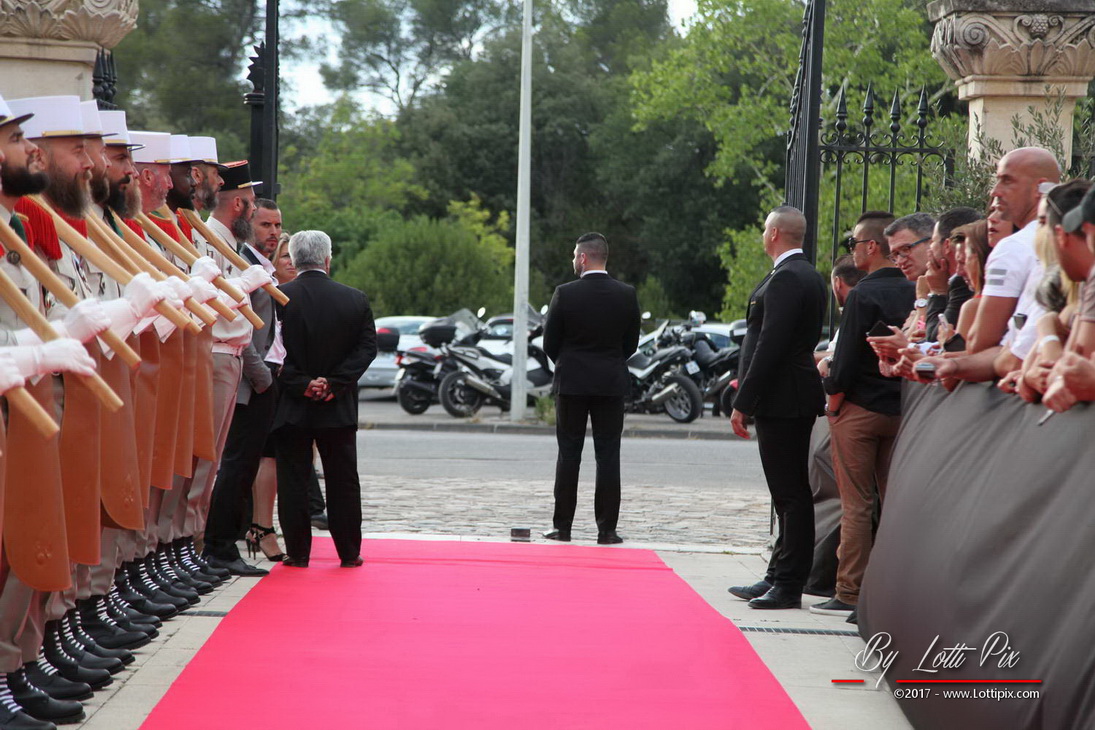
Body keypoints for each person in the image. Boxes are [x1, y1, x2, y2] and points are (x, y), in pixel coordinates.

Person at [811, 211, 914, 620]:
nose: (852, 251)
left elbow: (847, 359)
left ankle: (850, 589)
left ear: (871, 247)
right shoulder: (914, 289)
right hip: (902, 408)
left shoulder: (862, 295)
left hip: (860, 408)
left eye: (854, 243)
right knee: (894, 502)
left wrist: (834, 403)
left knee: (856, 503)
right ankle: (894, 588)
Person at [727, 206, 827, 610]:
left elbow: (770, 345)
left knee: (790, 495)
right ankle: (776, 574)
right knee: (787, 494)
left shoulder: (788, 277)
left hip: (783, 397)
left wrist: (743, 401)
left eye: (763, 229)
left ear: (773, 234)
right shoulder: (804, 274)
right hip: (787, 395)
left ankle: (788, 583)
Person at [273, 230, 377, 568]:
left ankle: (299, 552)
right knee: (343, 479)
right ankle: (349, 551)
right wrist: (334, 383)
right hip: (338, 404)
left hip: (293, 403)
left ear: (294, 259)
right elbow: (366, 349)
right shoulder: (355, 299)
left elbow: (270, 352)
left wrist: (301, 383)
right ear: (328, 259)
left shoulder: (278, 297)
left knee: (293, 479)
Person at [541, 232, 641, 545]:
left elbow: (549, 343)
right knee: (608, 456)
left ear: (584, 257)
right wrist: (610, 362)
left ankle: (563, 527)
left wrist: (570, 362)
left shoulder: (564, 293)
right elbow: (631, 343)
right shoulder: (626, 294)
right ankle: (607, 530)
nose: (573, 260)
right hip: (610, 384)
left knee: (569, 454)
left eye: (574, 255)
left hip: (572, 383)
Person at [202, 198, 282, 569]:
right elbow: (240, 328)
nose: (273, 233)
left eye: (277, 226)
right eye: (264, 224)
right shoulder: (240, 259)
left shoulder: (249, 259)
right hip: (250, 376)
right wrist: (263, 377)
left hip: (254, 375)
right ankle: (219, 543)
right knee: (232, 465)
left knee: (240, 464)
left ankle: (219, 541)